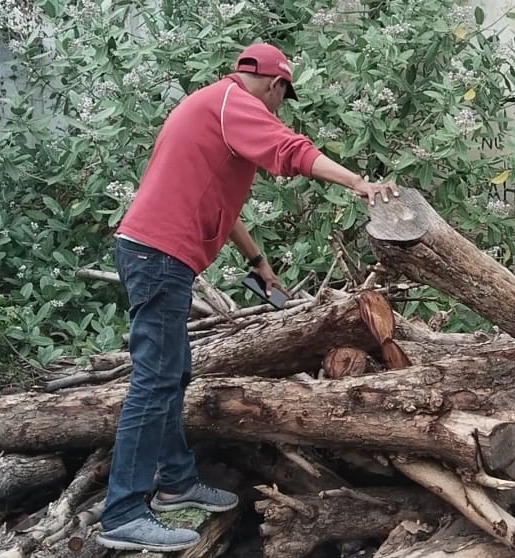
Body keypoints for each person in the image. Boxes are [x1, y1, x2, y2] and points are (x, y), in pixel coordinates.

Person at [97, 42, 399, 552]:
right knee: (154, 382)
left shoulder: (210, 106)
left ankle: (175, 482)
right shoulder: (235, 103)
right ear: (277, 84)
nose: (277, 108)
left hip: (155, 254)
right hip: (158, 257)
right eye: (283, 96)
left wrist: (259, 263)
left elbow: (218, 200)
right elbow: (291, 151)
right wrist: (357, 183)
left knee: (172, 374)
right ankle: (122, 511)